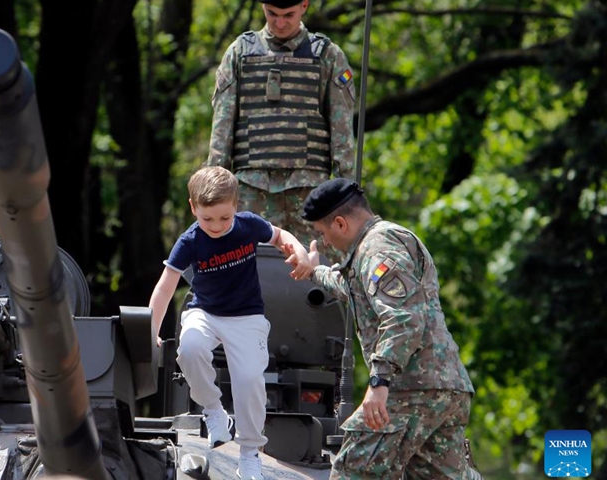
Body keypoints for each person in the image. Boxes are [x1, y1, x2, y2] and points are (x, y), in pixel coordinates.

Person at [283, 178, 480, 479]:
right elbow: (355, 287)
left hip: (411, 388)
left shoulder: (378, 247)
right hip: (441, 388)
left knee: (354, 470)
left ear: (340, 223)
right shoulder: (373, 249)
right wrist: (314, 271)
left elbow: (403, 319)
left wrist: (379, 382)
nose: (323, 242)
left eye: (322, 233)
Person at [148, 166, 311, 480]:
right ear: (193, 207)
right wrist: (151, 329)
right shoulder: (190, 240)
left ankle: (250, 453)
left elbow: (280, 236)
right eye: (207, 219)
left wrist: (299, 252)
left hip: (246, 316)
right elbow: (165, 286)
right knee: (190, 349)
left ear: (236, 206)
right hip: (205, 312)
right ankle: (213, 410)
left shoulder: (248, 226)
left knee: (250, 379)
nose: (217, 226)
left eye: (224, 218)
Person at [206, 0, 357, 245]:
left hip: (309, 190)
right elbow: (221, 131)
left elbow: (342, 133)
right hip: (250, 190)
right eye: (272, 13)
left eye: (288, 14)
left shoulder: (327, 56)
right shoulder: (239, 53)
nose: (279, 22)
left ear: (304, 6)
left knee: (315, 270)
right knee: (246, 271)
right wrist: (212, 193)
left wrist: (346, 195)